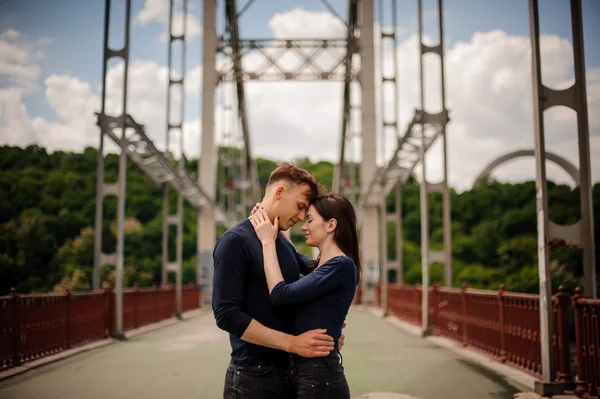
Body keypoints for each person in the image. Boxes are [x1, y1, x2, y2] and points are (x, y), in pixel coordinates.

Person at [212, 162, 345, 399]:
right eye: (301, 206)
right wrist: (292, 344)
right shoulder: (235, 240)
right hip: (252, 378)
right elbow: (226, 314)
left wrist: (327, 330)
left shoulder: (282, 243)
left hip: (292, 375)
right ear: (280, 192)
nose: (303, 217)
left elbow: (319, 275)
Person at [249, 193, 361, 399]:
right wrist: (274, 222)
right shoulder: (323, 267)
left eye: (309, 219)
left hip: (320, 379)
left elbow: (280, 294)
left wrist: (267, 242)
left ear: (330, 225)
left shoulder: (341, 265)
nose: (303, 226)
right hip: (307, 375)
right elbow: (294, 255)